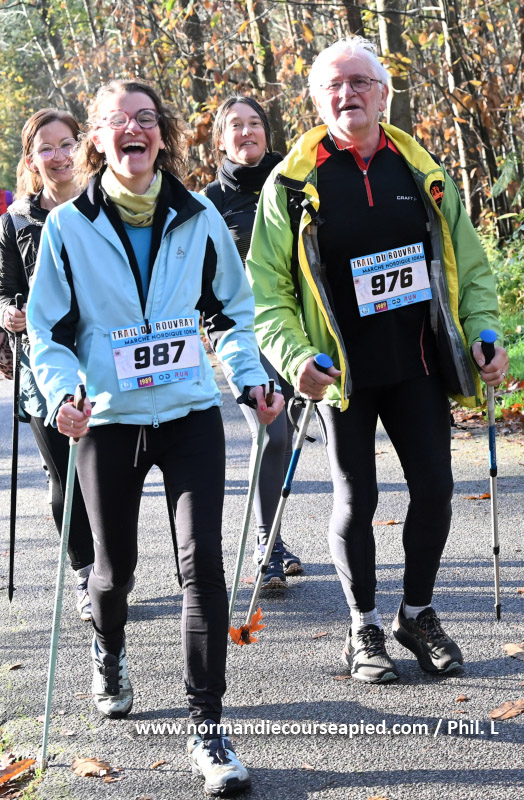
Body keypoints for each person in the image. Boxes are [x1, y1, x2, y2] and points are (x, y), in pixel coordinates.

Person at [27, 79, 284, 796]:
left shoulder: (198, 215)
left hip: (189, 414)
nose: (133, 130)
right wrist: (64, 395)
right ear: (99, 139)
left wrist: (248, 380)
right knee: (114, 574)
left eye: (146, 119)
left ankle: (208, 726)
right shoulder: (68, 227)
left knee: (203, 569)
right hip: (108, 421)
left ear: (162, 136)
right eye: (118, 121)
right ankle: (108, 648)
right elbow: (48, 331)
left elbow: (231, 312)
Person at [247, 37, 509, 685]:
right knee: (355, 497)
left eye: (360, 82)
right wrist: (294, 356)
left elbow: (470, 265)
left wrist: (484, 329)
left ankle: (415, 615)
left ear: (384, 93)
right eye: (333, 86)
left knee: (437, 490)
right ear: (316, 100)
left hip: (417, 362)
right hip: (343, 372)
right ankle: (362, 625)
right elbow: (268, 293)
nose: (348, 95)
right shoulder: (292, 184)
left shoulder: (421, 170)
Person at [0, 109, 95, 621]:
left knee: (108, 471)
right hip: (42, 363)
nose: (58, 156)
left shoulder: (104, 204)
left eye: (66, 144)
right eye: (46, 148)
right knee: (65, 474)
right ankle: (86, 573)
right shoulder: (16, 219)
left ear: (82, 146)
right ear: (32, 159)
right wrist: (7, 313)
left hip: (104, 356)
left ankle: (112, 566)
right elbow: (4, 286)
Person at [205, 95, 302, 590]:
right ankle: (268, 545)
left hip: (300, 327)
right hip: (244, 332)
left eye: (254, 124)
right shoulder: (209, 203)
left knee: (288, 434)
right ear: (221, 141)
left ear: (267, 131)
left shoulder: (295, 183)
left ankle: (275, 535)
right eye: (235, 126)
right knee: (272, 431)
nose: (246, 132)